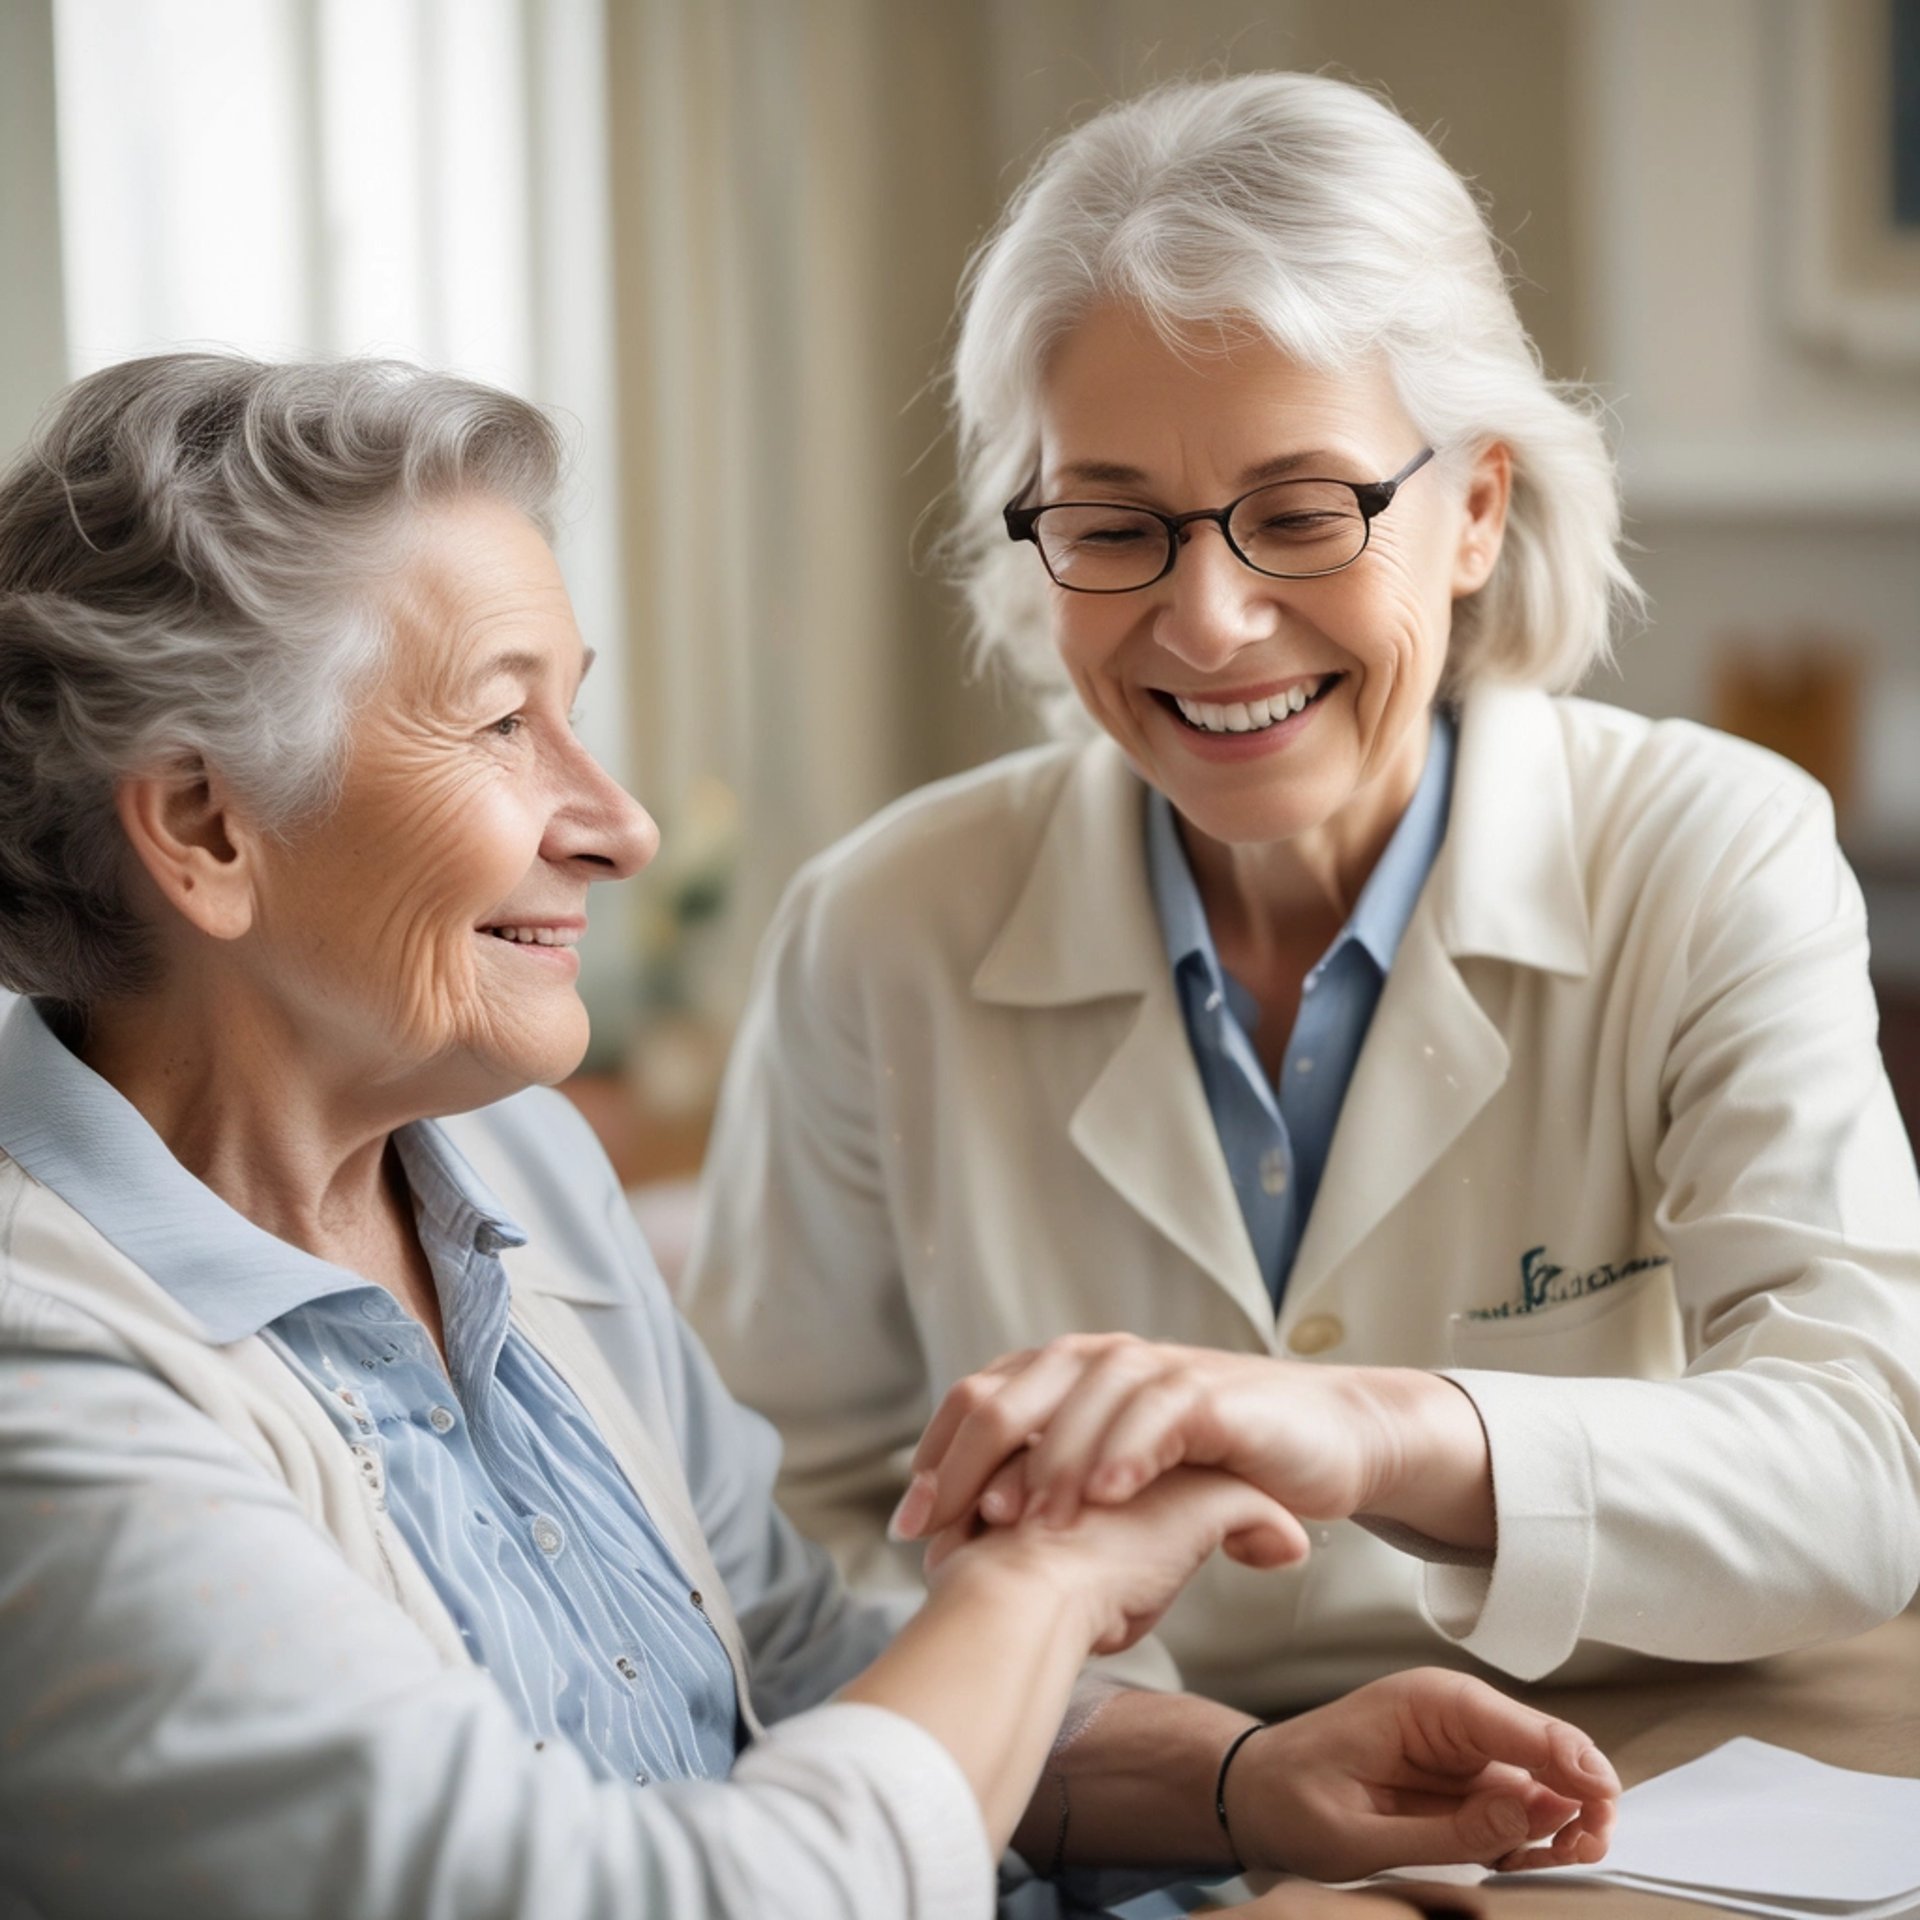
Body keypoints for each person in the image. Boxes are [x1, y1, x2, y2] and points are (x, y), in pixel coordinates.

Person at [0, 353, 1616, 1920]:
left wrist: (1233, 1783)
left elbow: (796, 1671)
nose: (618, 823)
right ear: (209, 828)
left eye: (577, 714)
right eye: (503, 728)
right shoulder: (48, 1387)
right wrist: (1043, 1589)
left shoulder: (513, 1165)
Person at [682, 69, 1920, 1718]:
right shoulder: (880, 928)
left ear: (1475, 507)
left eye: (1303, 512)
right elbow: (771, 1528)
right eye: (1113, 523)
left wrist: (1382, 1429)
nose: (1207, 621)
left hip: (1629, 1790)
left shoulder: (1711, 853)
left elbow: (1863, 1466)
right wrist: (1152, 1774)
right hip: (1087, 1822)